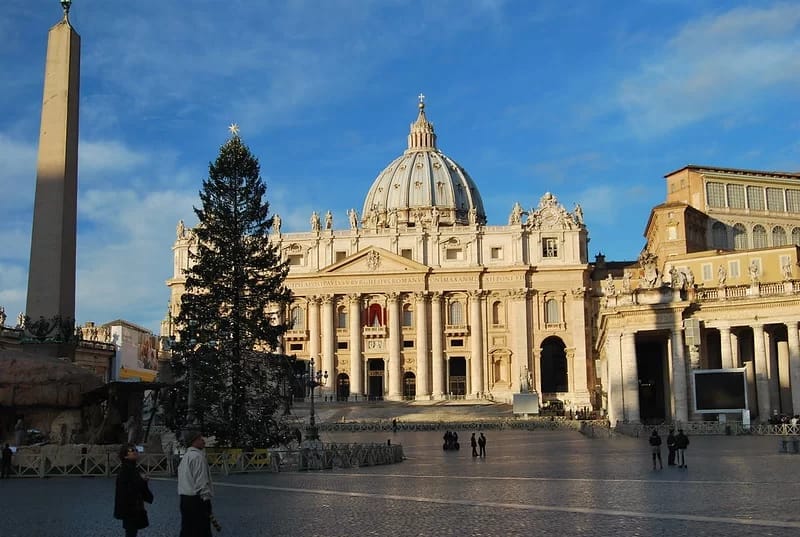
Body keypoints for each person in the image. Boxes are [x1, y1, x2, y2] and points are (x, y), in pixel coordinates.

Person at [178, 431, 214, 537]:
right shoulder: (198, 457)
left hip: (184, 499)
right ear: (193, 441)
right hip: (197, 500)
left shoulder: (186, 457)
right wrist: (206, 500)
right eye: (200, 439)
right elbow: (201, 480)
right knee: (202, 531)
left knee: (187, 530)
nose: (203, 441)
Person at [114, 444, 153, 537]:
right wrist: (142, 480)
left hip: (132, 507)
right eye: (132, 450)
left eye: (136, 450)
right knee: (131, 532)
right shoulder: (126, 470)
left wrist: (142, 480)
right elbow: (128, 489)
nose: (135, 451)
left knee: (132, 532)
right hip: (130, 507)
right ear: (125, 455)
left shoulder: (131, 468)